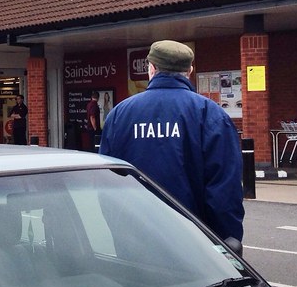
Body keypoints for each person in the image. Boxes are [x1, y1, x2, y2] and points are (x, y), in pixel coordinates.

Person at [99, 40, 244, 245]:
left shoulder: (119, 115)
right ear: (190, 70)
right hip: (193, 242)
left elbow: (107, 183)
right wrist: (226, 243)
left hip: (132, 240)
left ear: (151, 68)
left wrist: (118, 232)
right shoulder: (210, 115)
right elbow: (225, 192)